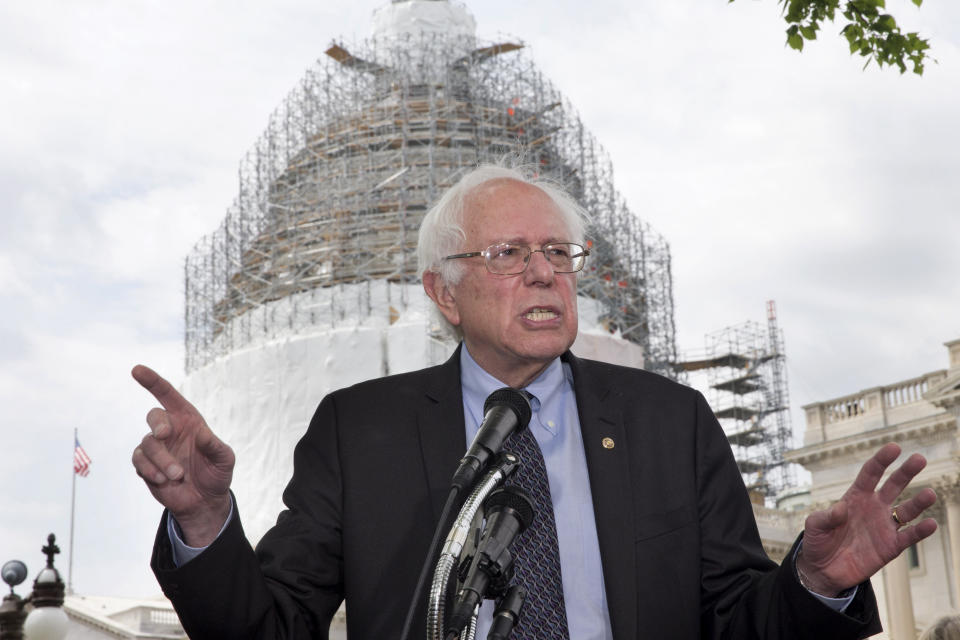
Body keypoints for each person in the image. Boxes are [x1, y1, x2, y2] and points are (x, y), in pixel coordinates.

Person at [132, 164, 938, 639]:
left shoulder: (669, 422)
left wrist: (817, 585)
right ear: (444, 294)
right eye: (509, 254)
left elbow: (738, 621)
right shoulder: (360, 431)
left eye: (558, 252)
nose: (546, 272)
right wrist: (204, 524)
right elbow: (271, 628)